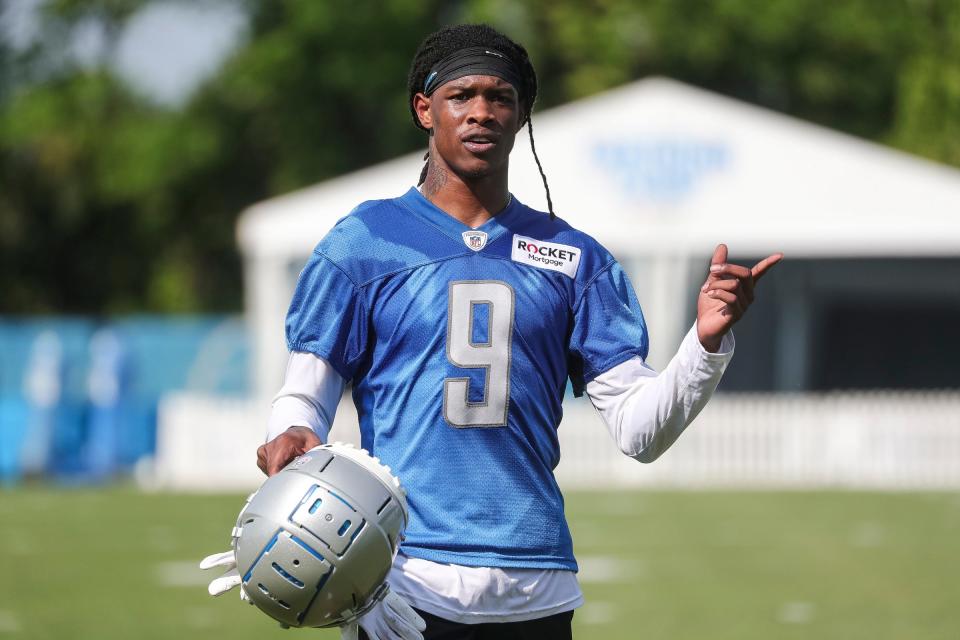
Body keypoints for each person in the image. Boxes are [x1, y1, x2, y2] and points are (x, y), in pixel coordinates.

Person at [256, 23, 782, 640]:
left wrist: (705, 342)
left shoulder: (575, 258)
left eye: (500, 97)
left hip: (535, 586)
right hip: (404, 582)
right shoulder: (364, 241)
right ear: (425, 109)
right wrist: (290, 432)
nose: (482, 112)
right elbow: (306, 392)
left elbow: (641, 432)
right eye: (462, 96)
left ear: (522, 114)